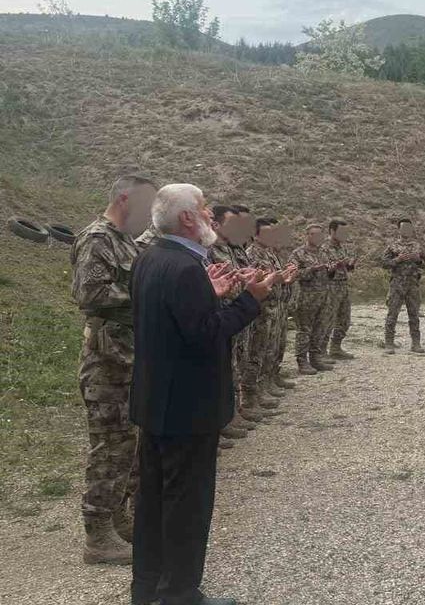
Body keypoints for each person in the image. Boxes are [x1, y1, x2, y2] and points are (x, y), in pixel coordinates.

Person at [130, 183, 273, 605]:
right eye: (205, 207)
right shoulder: (186, 268)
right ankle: (179, 593)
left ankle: (147, 588)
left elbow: (174, 322)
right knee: (186, 505)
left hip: (156, 402)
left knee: (153, 501)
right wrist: (250, 300)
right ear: (188, 218)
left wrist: (209, 296)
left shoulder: (151, 257)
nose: (211, 214)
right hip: (188, 408)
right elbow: (205, 335)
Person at [70, 174, 157, 565]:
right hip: (106, 362)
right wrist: (146, 293)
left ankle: (118, 520)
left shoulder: (126, 240)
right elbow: (89, 293)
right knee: (110, 446)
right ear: (124, 199)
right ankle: (97, 535)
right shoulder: (97, 239)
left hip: (128, 356)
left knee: (127, 444)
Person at [209, 206, 259, 443]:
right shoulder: (208, 250)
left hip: (237, 312)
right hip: (222, 315)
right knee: (221, 370)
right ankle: (220, 422)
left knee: (236, 363)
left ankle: (232, 413)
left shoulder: (232, 248)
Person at [244, 218, 297, 417]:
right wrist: (277, 278)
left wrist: (285, 277)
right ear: (255, 235)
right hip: (262, 309)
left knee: (272, 348)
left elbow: (275, 277)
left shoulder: (269, 253)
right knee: (257, 352)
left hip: (275, 307)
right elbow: (256, 280)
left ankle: (267, 384)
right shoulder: (252, 254)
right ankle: (250, 397)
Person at [289, 224, 333, 375]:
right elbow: (293, 274)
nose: (317, 237)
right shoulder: (298, 253)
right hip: (306, 298)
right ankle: (302, 361)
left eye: (320, 235)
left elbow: (328, 273)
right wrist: (311, 269)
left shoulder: (324, 252)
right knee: (304, 330)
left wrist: (331, 269)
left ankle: (315, 358)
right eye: (314, 234)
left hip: (323, 297)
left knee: (320, 328)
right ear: (307, 235)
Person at [380, 218, 425, 353]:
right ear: (399, 230)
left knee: (414, 314)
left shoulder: (417, 246)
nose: (406, 230)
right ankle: (389, 343)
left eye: (409, 228)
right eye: (404, 228)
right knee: (392, 314)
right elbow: (383, 263)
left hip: (413, 284)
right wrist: (397, 259)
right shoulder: (392, 246)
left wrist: (418, 260)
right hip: (397, 284)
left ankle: (416, 343)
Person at [318, 218, 356, 362]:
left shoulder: (342, 247)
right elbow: (323, 268)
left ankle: (335, 347)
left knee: (344, 318)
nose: (344, 235)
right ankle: (321, 351)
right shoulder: (323, 248)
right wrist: (336, 265)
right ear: (332, 231)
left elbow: (347, 268)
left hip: (343, 285)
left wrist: (350, 264)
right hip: (330, 286)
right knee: (327, 319)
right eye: (341, 232)